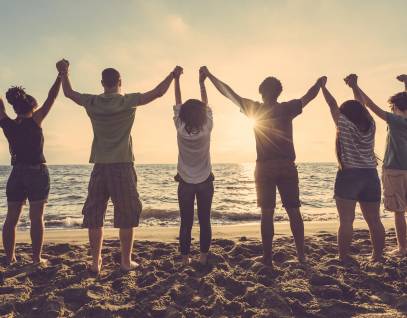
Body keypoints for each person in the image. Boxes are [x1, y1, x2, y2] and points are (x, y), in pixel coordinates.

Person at [56, 59, 182, 273]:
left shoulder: (92, 101)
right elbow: (157, 93)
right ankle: (125, 261)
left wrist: (64, 72)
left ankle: (95, 263)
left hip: (100, 165)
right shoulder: (127, 101)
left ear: (102, 83)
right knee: (126, 214)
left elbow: (68, 93)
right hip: (122, 165)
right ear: (119, 81)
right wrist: (173, 75)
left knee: (95, 215)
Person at [201, 66, 324, 266]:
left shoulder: (255, 109)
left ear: (261, 92)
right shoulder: (287, 108)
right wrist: (319, 83)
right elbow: (309, 96)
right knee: (294, 210)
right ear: (278, 92)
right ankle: (301, 256)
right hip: (287, 165)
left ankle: (267, 258)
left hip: (265, 167)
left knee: (267, 212)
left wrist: (210, 76)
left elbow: (228, 92)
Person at [320, 76, 385, 262]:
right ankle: (378, 256)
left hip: (349, 175)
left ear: (345, 113)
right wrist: (354, 85)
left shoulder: (344, 124)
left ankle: (344, 256)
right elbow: (361, 104)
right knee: (374, 220)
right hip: (371, 175)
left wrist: (323, 87)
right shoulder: (371, 125)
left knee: (347, 221)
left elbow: (332, 104)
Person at [0, 74, 61, 266]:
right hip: (37, 173)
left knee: (11, 219)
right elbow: (52, 97)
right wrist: (60, 75)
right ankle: (36, 259)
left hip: (16, 173)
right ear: (32, 107)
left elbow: (0, 107)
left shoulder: (7, 123)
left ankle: (10, 258)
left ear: (15, 107)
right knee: (36, 218)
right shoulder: (35, 120)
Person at [345, 73, 407, 257]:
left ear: (395, 107)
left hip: (394, 171)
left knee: (399, 212)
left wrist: (355, 86)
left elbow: (370, 106)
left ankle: (403, 248)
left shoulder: (395, 120)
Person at [172, 67, 214, 266]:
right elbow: (205, 105)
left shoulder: (180, 128)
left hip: (185, 183)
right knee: (205, 220)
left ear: (184, 115)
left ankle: (185, 258)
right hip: (205, 180)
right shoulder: (207, 128)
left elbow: (178, 103)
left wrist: (176, 79)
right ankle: (203, 257)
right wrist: (202, 82)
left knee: (186, 222)